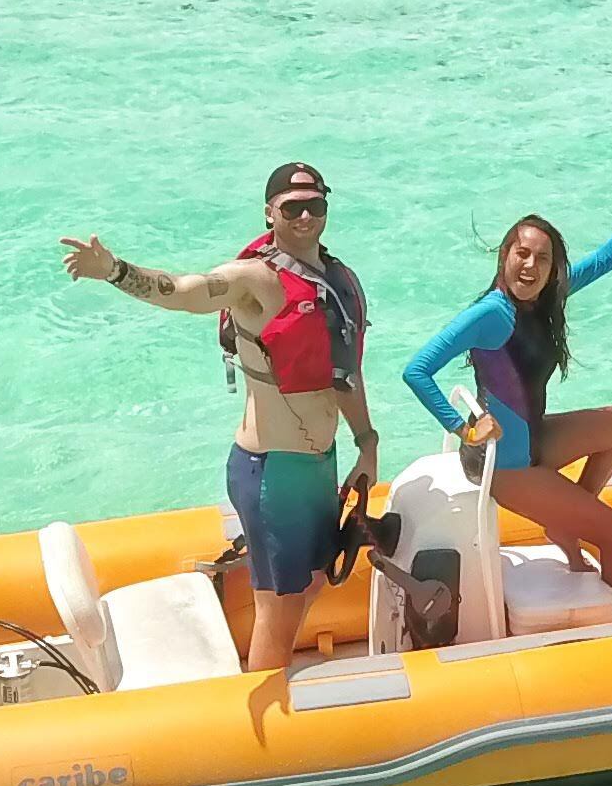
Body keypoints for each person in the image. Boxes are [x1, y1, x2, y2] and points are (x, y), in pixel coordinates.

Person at [62, 162, 381, 675]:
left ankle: (265, 652)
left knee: (315, 577)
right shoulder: (254, 280)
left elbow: (345, 372)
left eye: (314, 205)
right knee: (279, 614)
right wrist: (116, 270)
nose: (304, 216)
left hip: (320, 462)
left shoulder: (336, 279)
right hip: (273, 471)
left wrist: (367, 441)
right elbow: (184, 290)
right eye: (291, 207)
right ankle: (266, 729)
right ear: (269, 213)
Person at [402, 158, 612, 621]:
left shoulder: (548, 297)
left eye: (542, 258)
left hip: (532, 439)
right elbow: (417, 369)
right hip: (508, 466)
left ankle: (566, 526)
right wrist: (464, 428)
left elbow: (608, 259)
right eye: (521, 253)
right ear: (504, 256)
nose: (530, 265)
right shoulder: (492, 314)